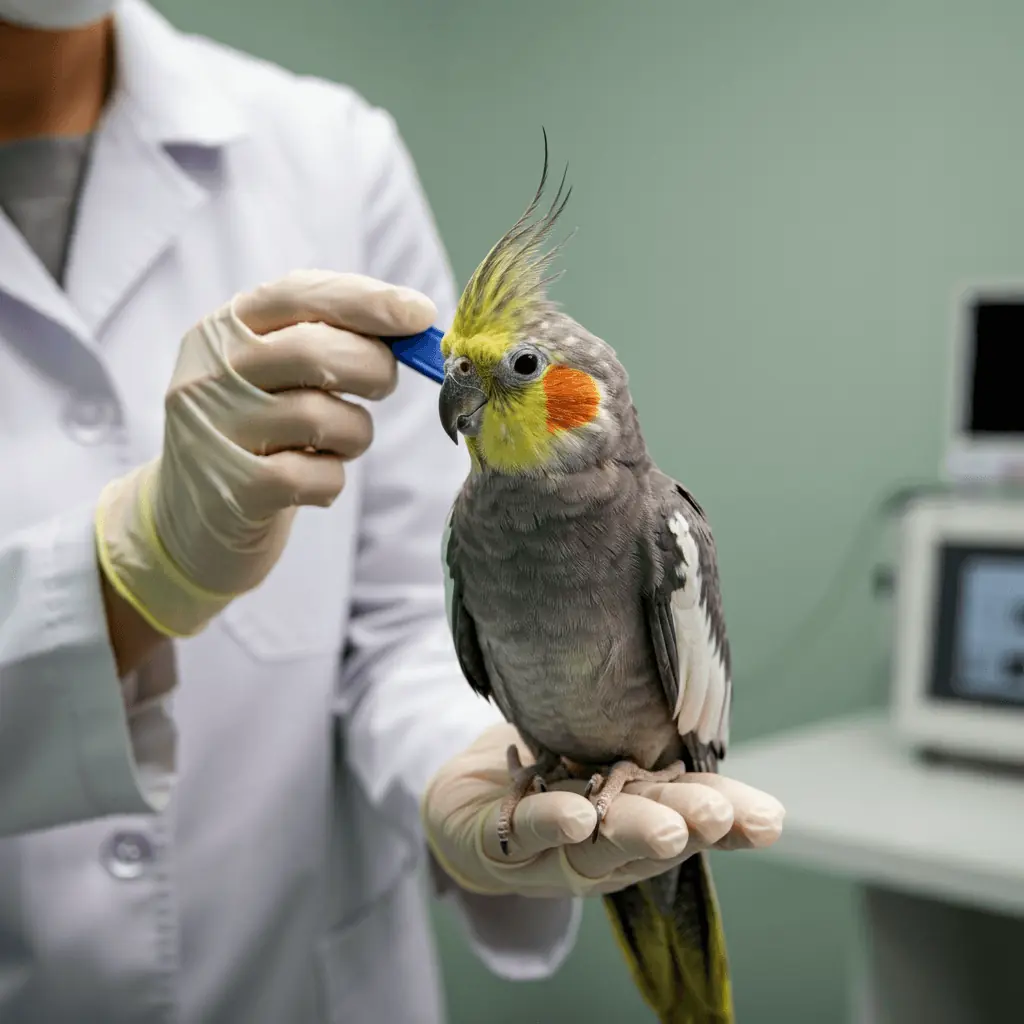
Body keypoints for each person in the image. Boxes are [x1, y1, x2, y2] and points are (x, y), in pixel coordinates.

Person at [0, 1, 785, 1021]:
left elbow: (398, 631)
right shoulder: (480, 522)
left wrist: (457, 768)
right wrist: (133, 569)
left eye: (513, 371)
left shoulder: (332, 149)